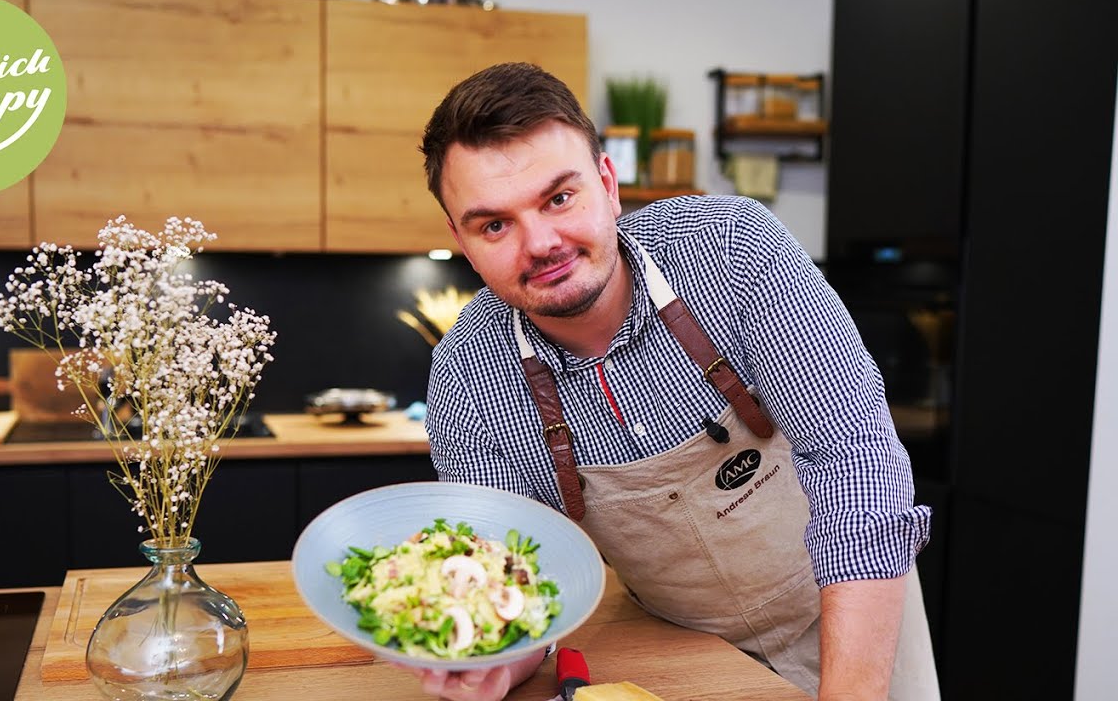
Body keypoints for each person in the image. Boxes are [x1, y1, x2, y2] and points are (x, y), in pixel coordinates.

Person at [403, 61, 941, 701]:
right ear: (462, 240)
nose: (541, 243)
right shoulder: (469, 372)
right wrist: (496, 658)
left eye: (560, 198)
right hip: (680, 650)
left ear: (608, 183)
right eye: (495, 224)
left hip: (854, 614)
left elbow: (856, 461)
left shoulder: (734, 250)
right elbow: (519, 578)